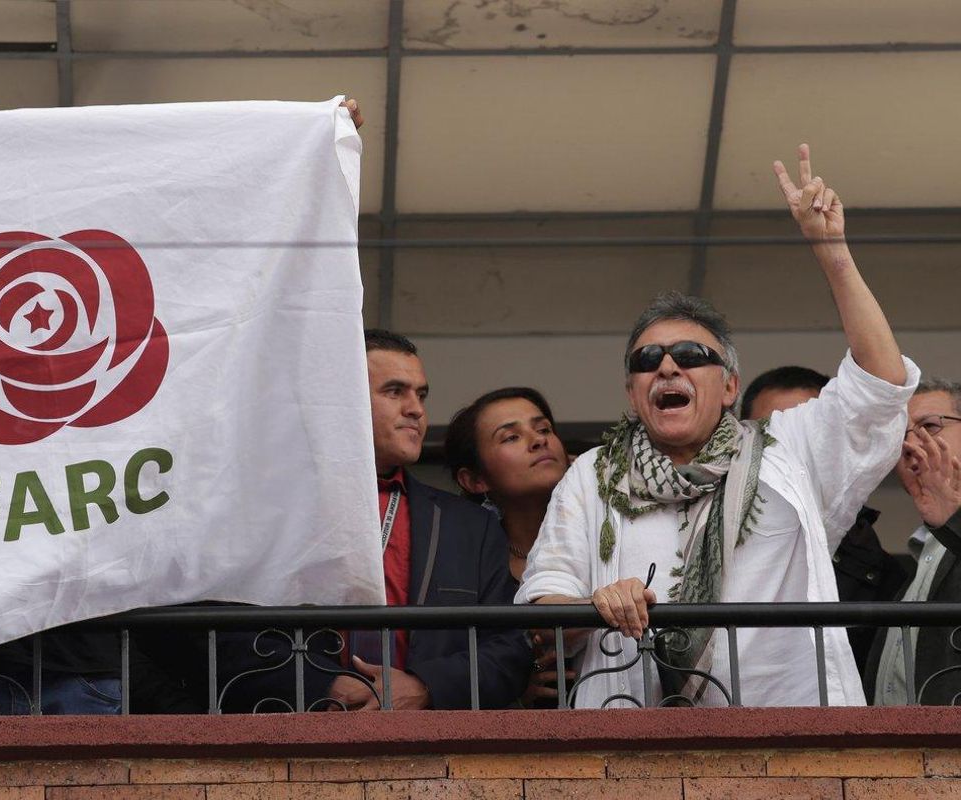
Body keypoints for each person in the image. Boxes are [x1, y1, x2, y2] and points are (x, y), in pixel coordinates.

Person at [516, 144, 918, 707]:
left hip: (784, 735)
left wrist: (833, 252)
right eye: (646, 360)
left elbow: (881, 384)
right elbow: (545, 610)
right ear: (632, 393)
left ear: (730, 385)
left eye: (689, 353)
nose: (667, 366)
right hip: (632, 746)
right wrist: (598, 606)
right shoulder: (592, 474)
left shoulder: (789, 450)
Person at [320, 330, 531, 710]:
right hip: (297, 736)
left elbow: (510, 650)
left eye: (421, 394)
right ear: (342, 399)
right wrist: (321, 685)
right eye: (395, 391)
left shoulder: (470, 527)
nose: (416, 409)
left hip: (433, 747)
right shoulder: (282, 512)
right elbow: (227, 635)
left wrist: (424, 687)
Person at [741, 366, 907, 671]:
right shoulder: (713, 545)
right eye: (772, 435)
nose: (791, 450)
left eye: (810, 434)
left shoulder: (889, 576)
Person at [445, 386, 569, 705]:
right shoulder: (464, 565)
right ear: (474, 480)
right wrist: (510, 694)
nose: (539, 440)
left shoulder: (608, 534)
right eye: (511, 437)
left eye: (543, 429)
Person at [869, 379, 961, 705]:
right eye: (899, 435)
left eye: (930, 426)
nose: (911, 444)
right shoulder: (924, 551)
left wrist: (954, 519)